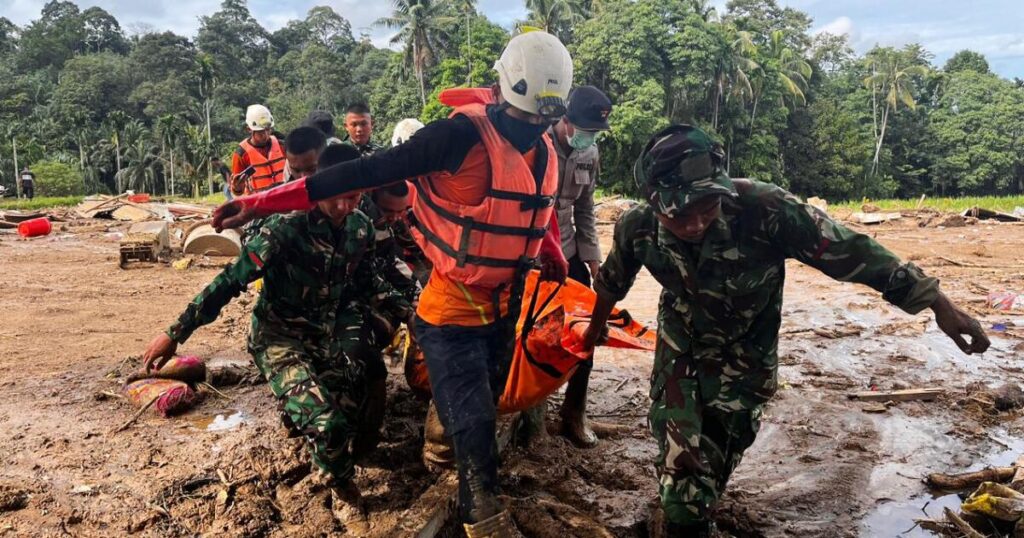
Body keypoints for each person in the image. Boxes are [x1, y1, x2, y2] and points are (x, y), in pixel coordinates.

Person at [212, 29, 574, 538]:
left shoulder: (544, 147)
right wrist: (261, 202)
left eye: (545, 119)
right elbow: (359, 172)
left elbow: (537, 205)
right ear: (502, 93)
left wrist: (552, 250)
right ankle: (484, 519)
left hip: (502, 307)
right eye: (527, 117)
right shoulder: (455, 138)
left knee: (482, 407)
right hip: (449, 312)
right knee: (474, 427)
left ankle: (451, 467)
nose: (534, 128)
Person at [577, 124, 991, 537]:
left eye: (708, 207)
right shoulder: (638, 225)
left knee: (712, 470)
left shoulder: (766, 210)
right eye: (680, 213)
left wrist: (937, 303)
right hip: (680, 353)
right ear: (654, 200)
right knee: (683, 480)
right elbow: (613, 280)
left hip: (744, 363)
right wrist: (595, 330)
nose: (696, 222)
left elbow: (852, 251)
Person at [142, 143, 410, 536]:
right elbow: (229, 282)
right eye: (337, 199)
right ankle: (342, 489)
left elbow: (369, 280)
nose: (345, 207)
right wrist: (174, 333)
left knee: (348, 405)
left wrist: (413, 314)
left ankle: (310, 435)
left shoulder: (360, 229)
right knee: (328, 425)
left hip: (325, 333)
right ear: (318, 190)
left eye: (354, 198)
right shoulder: (286, 228)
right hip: (279, 337)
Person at [545, 85, 613, 448]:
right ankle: (529, 409)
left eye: (595, 133)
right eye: (584, 129)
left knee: (587, 329)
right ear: (565, 120)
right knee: (534, 330)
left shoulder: (590, 153)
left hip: (569, 250)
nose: (589, 137)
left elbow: (586, 208)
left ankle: (574, 412)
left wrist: (593, 259)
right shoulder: (536, 145)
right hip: (535, 253)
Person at [231, 104, 286, 196]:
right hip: (260, 205)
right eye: (260, 132)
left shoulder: (282, 145)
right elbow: (237, 191)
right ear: (249, 129)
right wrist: (237, 187)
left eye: (267, 130)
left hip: (285, 199)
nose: (265, 135)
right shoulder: (241, 154)